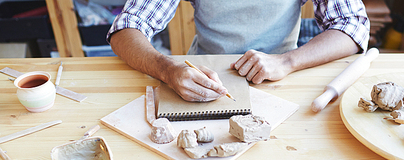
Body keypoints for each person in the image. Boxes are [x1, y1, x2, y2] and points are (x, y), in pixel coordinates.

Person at [108, 0, 370, 102]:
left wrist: (287, 61)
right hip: (205, 77)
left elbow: (353, 26)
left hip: (284, 77)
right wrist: (167, 70)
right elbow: (126, 27)